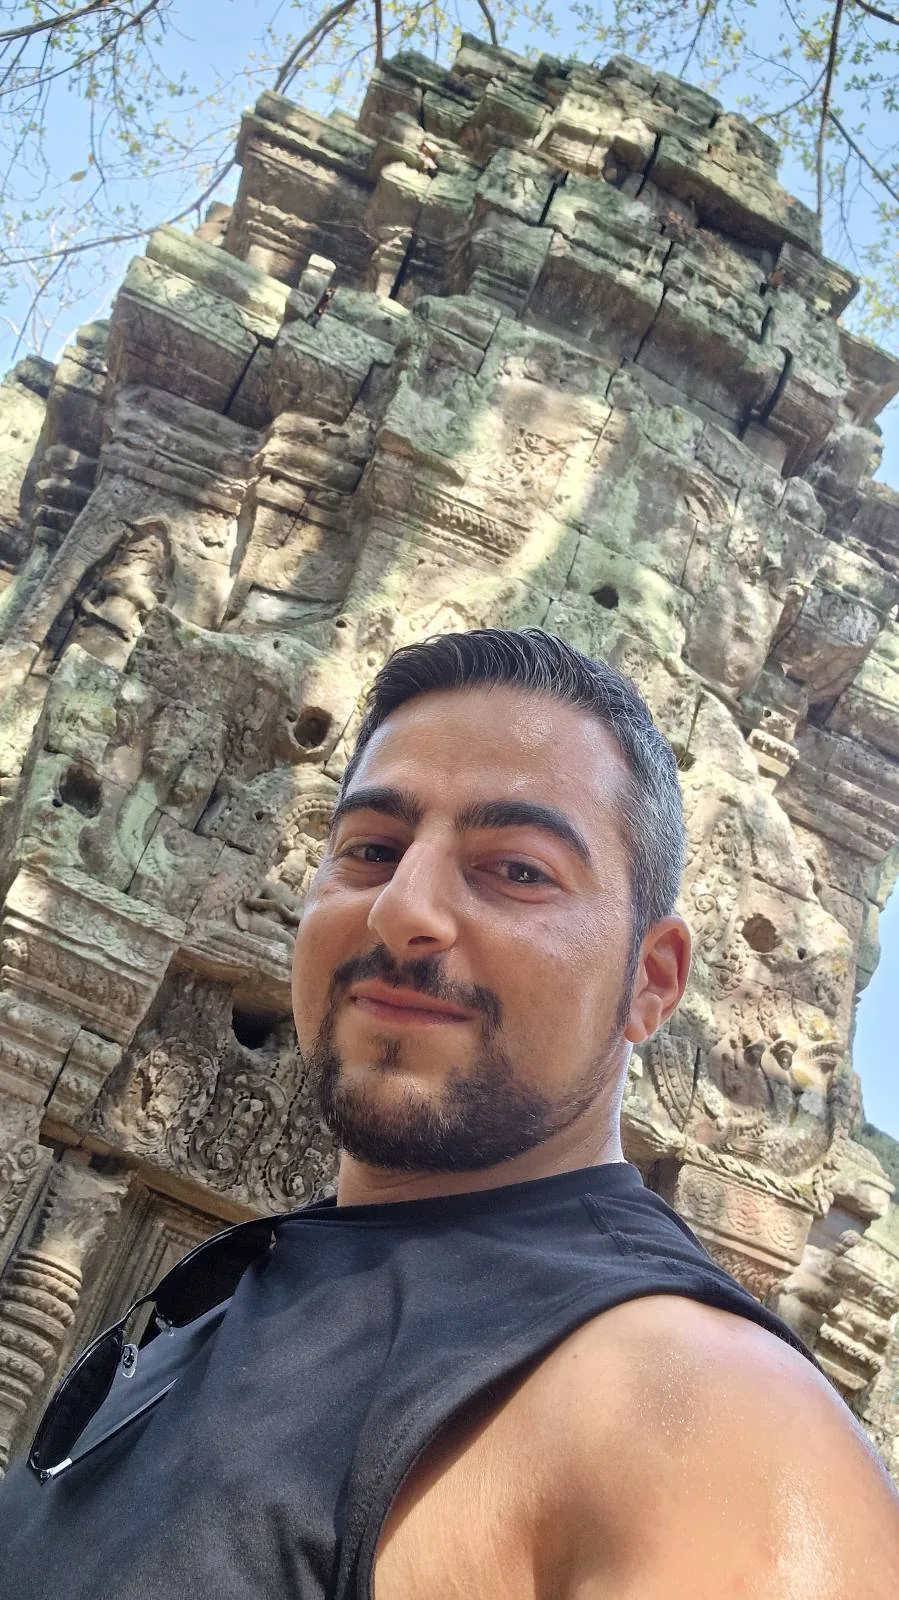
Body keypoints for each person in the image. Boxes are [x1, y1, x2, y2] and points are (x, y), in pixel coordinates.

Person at [1, 627, 897, 1598]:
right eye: (370, 848)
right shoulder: (231, 1294)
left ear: (650, 979)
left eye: (515, 867)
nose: (401, 907)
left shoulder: (695, 1415)